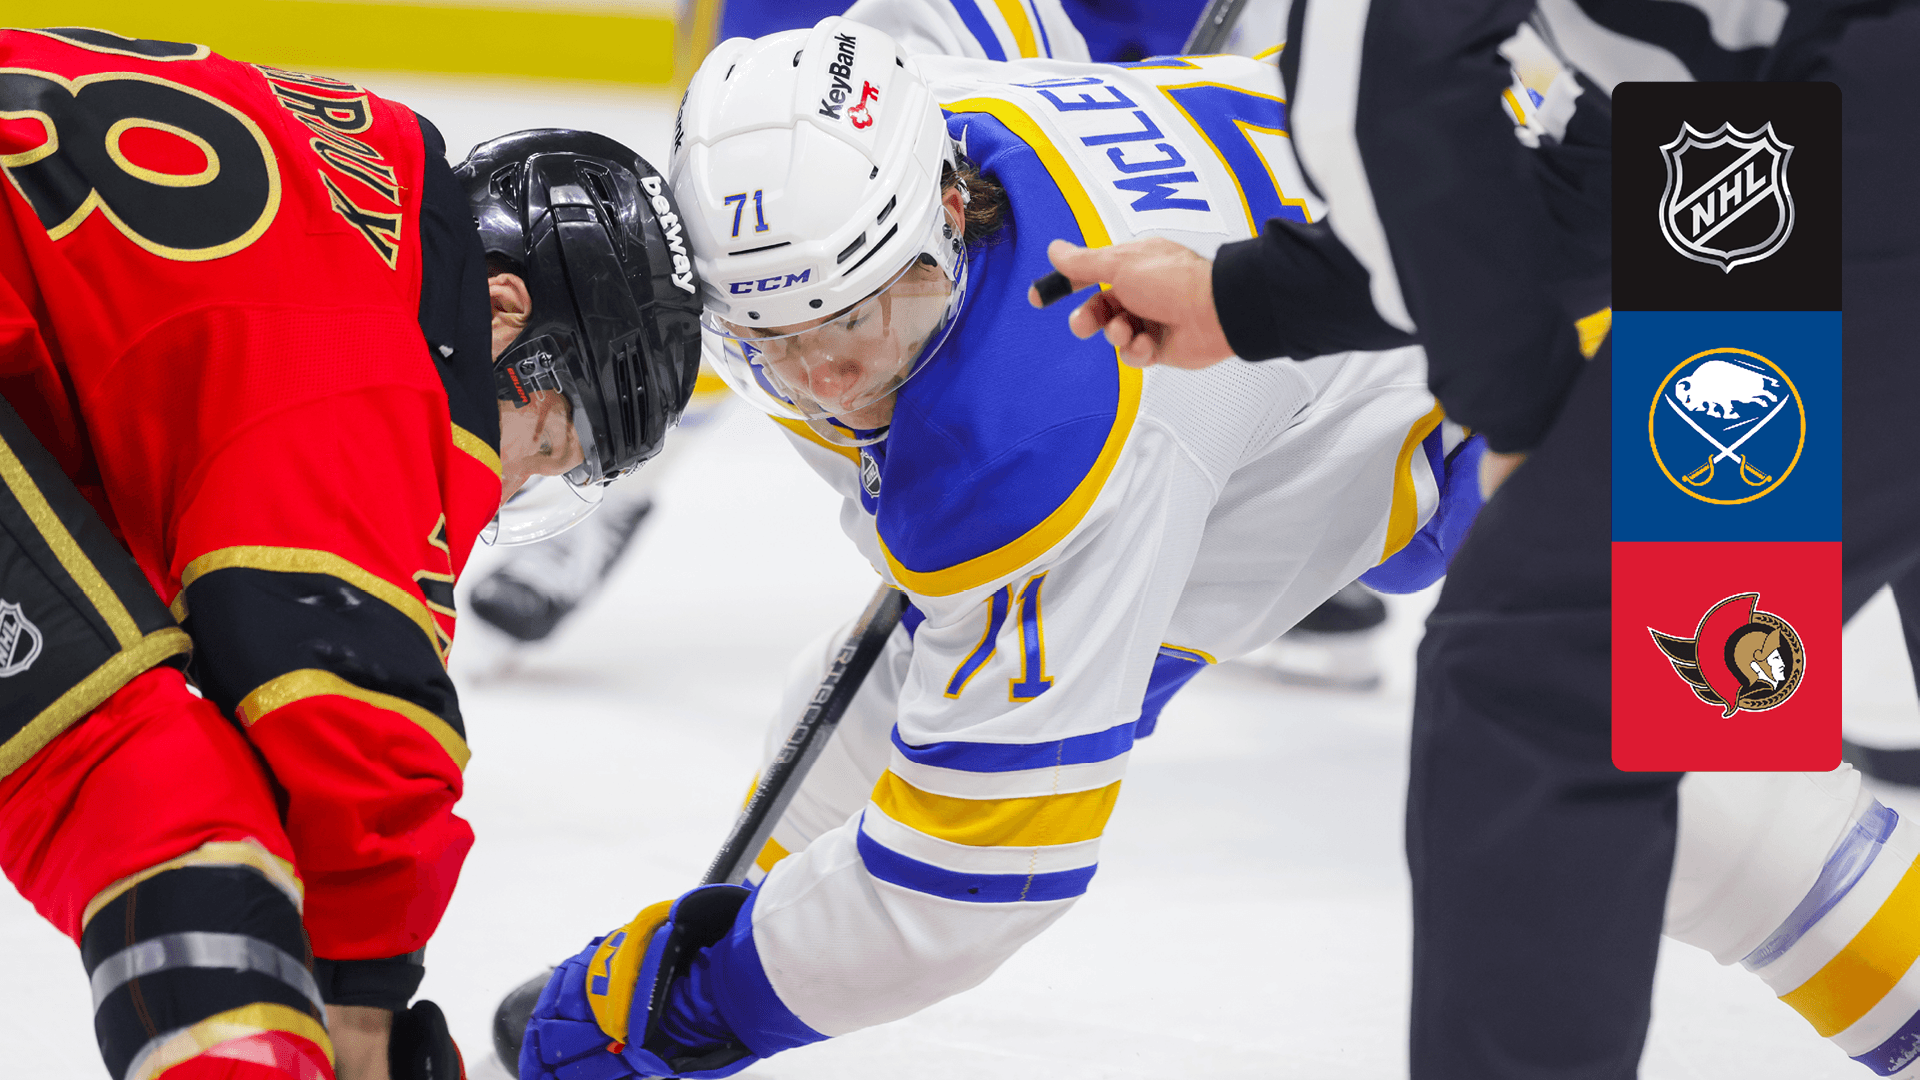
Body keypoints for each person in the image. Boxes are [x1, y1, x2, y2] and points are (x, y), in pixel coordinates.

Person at [512, 15, 1490, 1079]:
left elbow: (965, 884)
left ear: (945, 217)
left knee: (1597, 797)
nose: (825, 384)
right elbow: (908, 677)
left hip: (1591, 345)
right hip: (1455, 217)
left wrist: (693, 1008)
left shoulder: (1041, 435)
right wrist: (728, 922)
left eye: (853, 323)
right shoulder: (915, 119)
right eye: (769, 346)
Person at [1032, 2, 1920, 1078]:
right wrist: (1246, 297)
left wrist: (1517, 406)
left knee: (1561, 679)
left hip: (1855, 129)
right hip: (1818, 120)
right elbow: (1629, 168)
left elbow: (1389, 89)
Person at [0, 25, 702, 1080]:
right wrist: (359, 1009)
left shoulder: (355, 183)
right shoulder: (378, 370)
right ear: (503, 314)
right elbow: (348, 706)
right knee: (147, 791)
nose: (510, 485)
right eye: (547, 443)